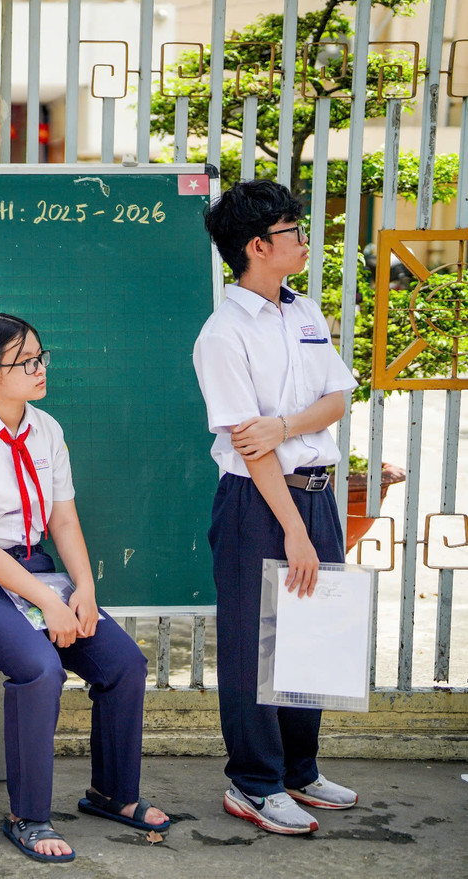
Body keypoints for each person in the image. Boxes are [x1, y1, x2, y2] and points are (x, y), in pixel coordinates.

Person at [0, 313, 169, 863]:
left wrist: (83, 589)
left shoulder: (47, 429)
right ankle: (27, 815)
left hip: (36, 568)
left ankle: (113, 793)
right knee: (39, 668)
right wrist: (49, 601)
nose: (38, 369)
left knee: (124, 663)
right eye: (23, 362)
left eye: (40, 357)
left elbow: (65, 521)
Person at [195, 179, 359, 834]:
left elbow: (337, 400)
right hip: (258, 503)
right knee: (255, 644)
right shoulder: (223, 333)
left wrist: (286, 424)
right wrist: (292, 530)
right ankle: (253, 782)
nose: (304, 240)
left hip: (316, 491)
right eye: (292, 231)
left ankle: (299, 768)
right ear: (258, 246)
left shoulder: (306, 312)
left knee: (313, 635)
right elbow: (248, 443)